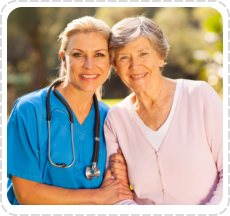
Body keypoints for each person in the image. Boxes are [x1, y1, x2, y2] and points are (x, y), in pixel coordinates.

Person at [7, 16, 133, 205]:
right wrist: (99, 197)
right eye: (78, 54)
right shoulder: (29, 111)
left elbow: (119, 186)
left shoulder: (111, 118)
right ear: (64, 59)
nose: (89, 65)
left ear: (110, 62)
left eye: (99, 54)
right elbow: (26, 194)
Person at [105, 16, 223, 205]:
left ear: (160, 57)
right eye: (124, 57)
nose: (135, 65)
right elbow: (117, 193)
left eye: (143, 53)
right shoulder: (116, 118)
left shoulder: (199, 96)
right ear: (116, 67)